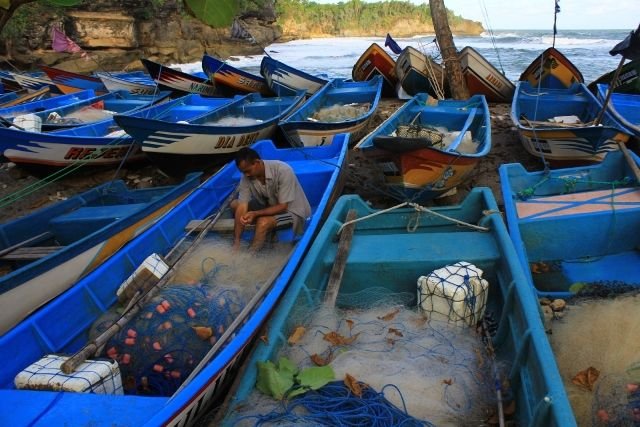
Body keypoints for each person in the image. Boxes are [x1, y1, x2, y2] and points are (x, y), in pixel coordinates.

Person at [231, 147, 311, 252]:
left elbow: (283, 207)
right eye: (243, 172)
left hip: (292, 212)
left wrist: (255, 214)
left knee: (263, 222)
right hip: (268, 205)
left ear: (257, 162)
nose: (246, 175)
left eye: (248, 171)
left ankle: (250, 255)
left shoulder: (283, 170)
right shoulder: (246, 177)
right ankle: (239, 240)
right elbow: (242, 206)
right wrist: (237, 241)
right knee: (235, 204)